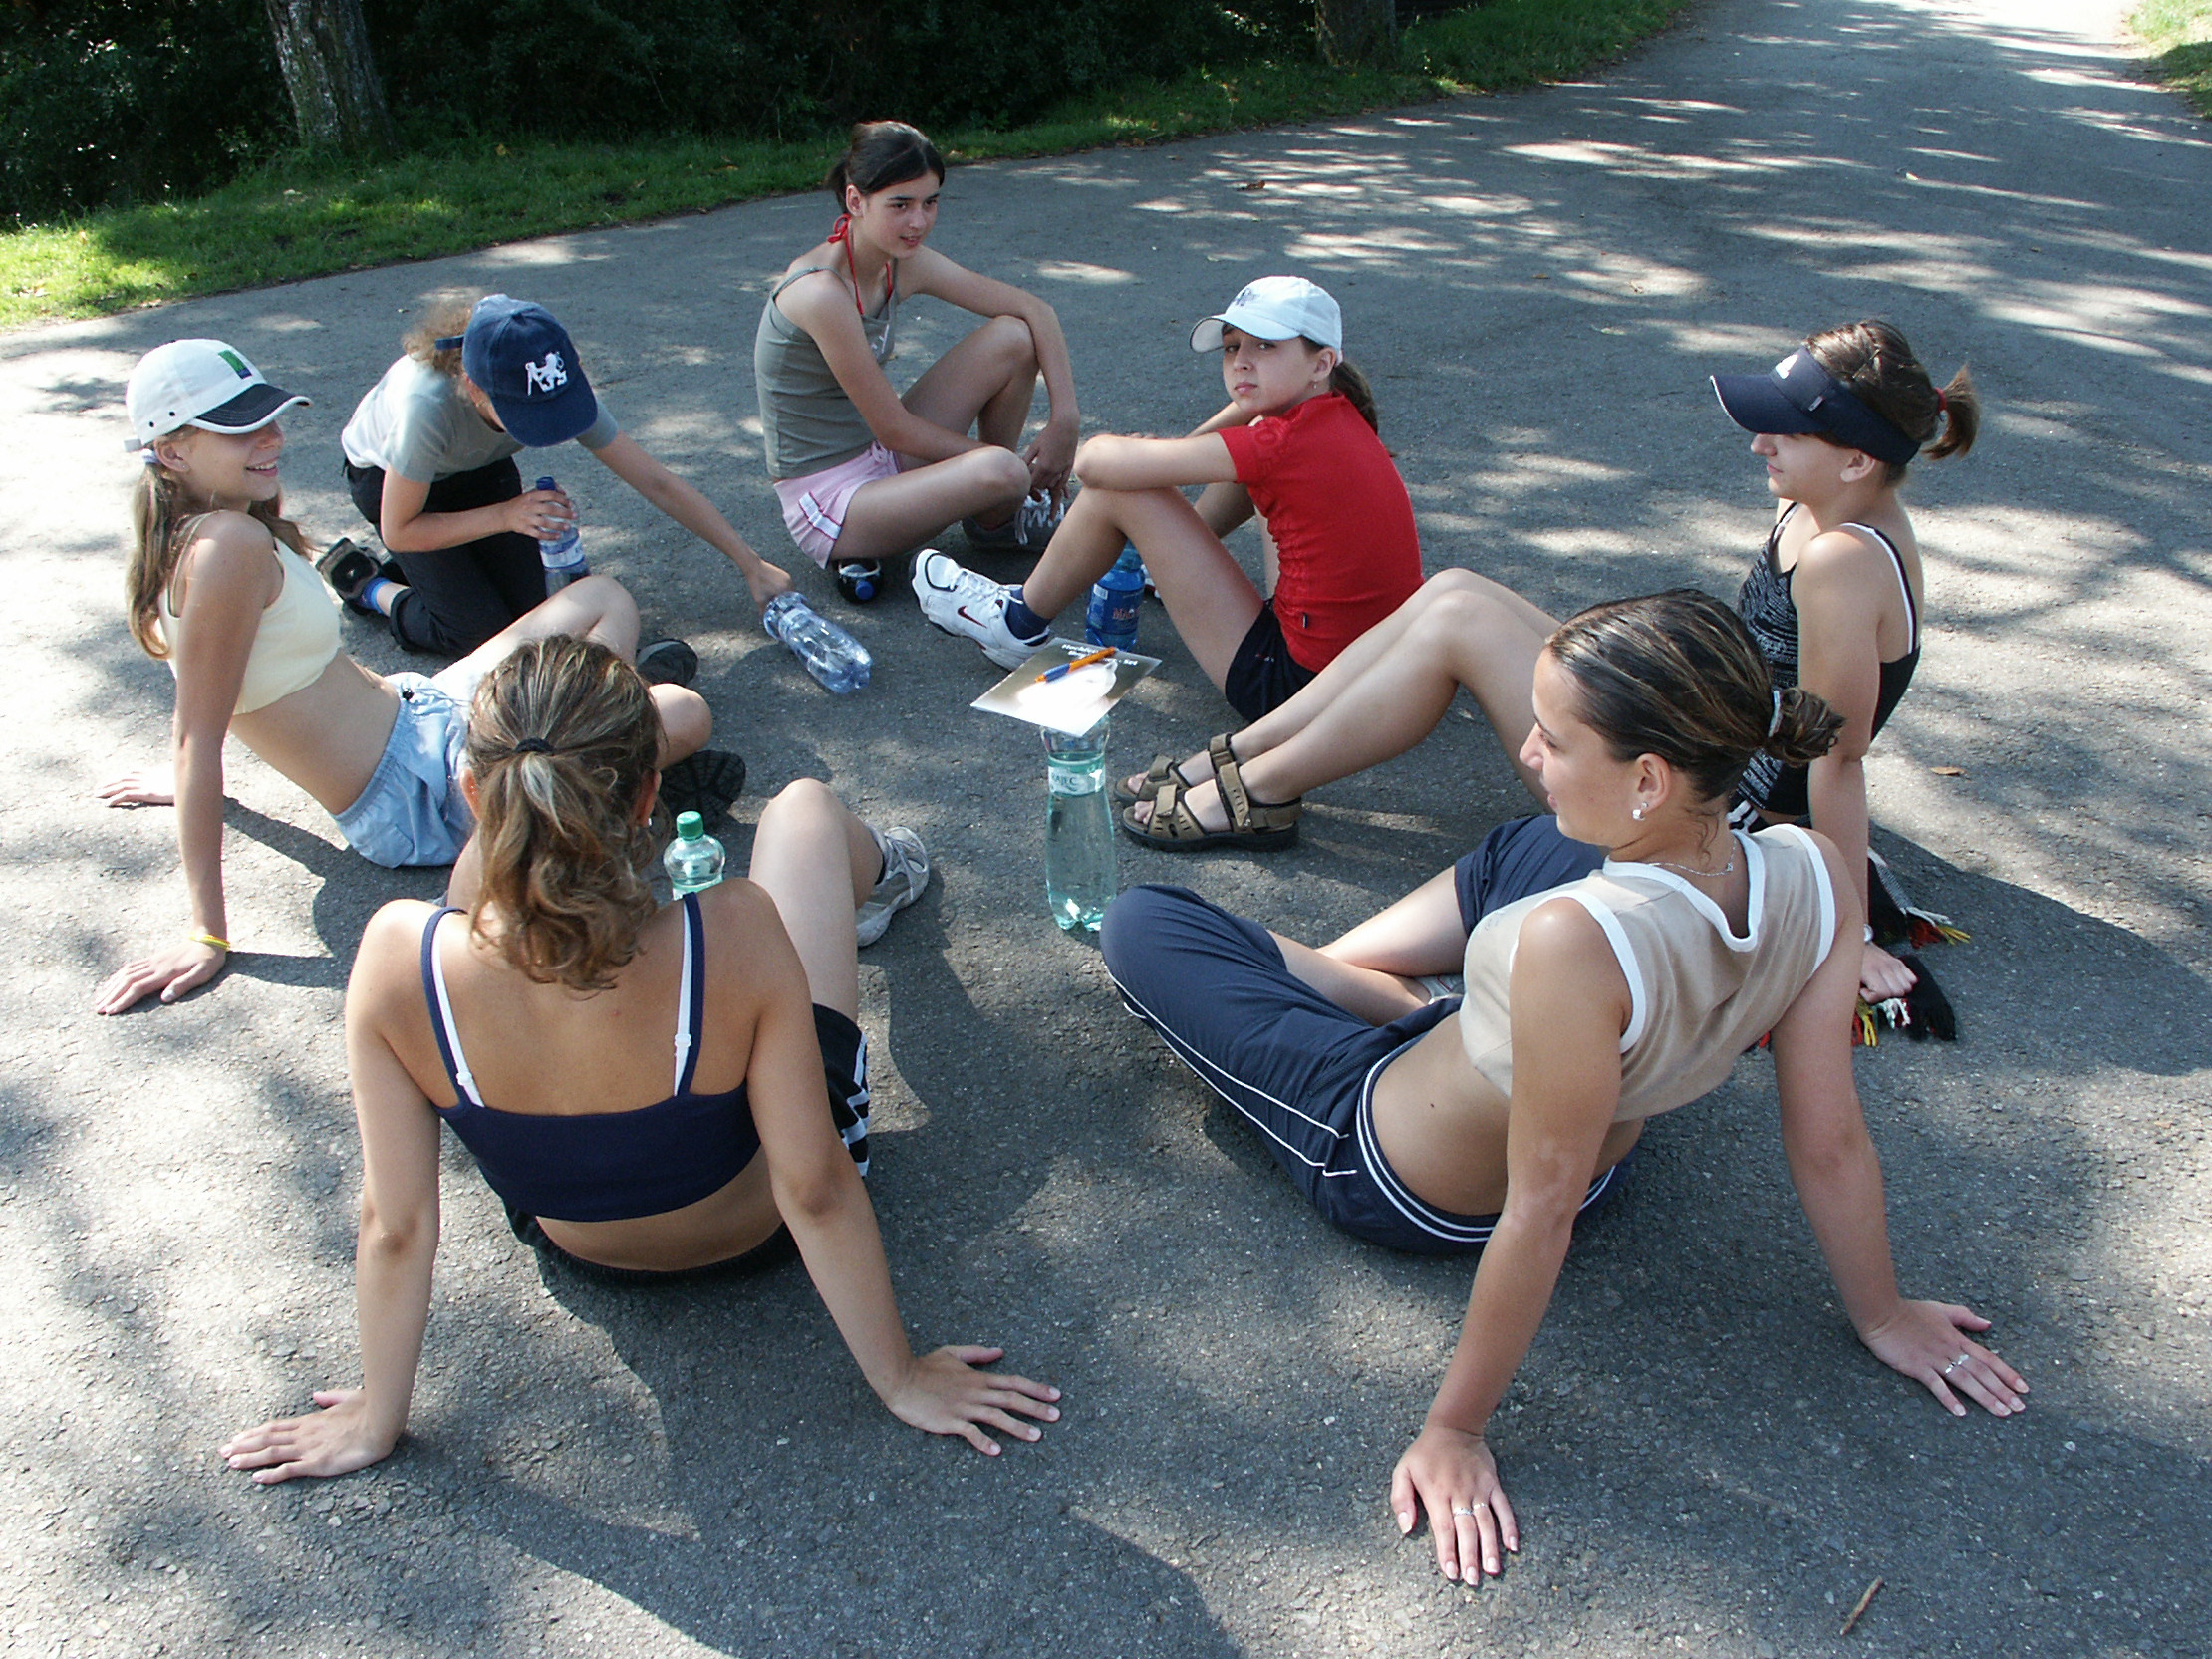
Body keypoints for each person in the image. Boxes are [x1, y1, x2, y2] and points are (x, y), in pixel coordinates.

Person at [1098, 591, 2025, 1583]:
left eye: (1554, 738)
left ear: (1648, 777)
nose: (1528, 751)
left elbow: (1538, 1213)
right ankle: (1372, 993)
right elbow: (1830, 1137)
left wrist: (1453, 1430)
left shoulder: (1572, 942)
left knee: (1140, 923)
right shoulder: (1817, 869)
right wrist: (1882, 1312)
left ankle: (1350, 992)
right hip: (1595, 1120)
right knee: (1540, 843)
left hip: (1387, 1152)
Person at [219, 636, 1060, 1481]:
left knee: (487, 878)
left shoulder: (394, 959)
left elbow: (395, 1224)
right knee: (803, 810)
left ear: (472, 791)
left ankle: (537, 867)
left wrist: (376, 1418)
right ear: (649, 795)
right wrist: (900, 1377)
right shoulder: (735, 927)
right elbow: (813, 1186)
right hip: (756, 1229)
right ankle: (884, 871)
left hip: (580, 1241)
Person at [1122, 323, 1974, 1018]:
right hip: (1701, 726)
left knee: (1458, 623)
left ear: (1857, 459)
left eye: (1784, 431)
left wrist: (1848, 931)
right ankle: (1242, 758)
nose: (1758, 444)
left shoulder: (1841, 563)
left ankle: (1257, 786)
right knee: (1454, 590)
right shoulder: (1825, 504)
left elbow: (1838, 758)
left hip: (1709, 805)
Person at [93, 339, 737, 1017]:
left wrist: (191, 779)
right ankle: (612, 754)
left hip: (417, 707)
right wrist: (207, 934)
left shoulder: (208, 528)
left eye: (270, 418)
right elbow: (197, 730)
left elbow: (218, 697)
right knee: (686, 711)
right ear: (171, 451)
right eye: (239, 428)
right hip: (415, 791)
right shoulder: (228, 546)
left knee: (602, 597)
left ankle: (609, 745)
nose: (271, 438)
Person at [917, 277, 1424, 745]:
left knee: (1119, 491)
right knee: (1207, 461)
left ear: (1321, 362)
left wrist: (1147, 458)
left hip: (1292, 692)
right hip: (1373, 667)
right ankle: (1159, 566)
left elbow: (1094, 464)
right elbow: (1218, 446)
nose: (1242, 362)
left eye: (1266, 346)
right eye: (1232, 347)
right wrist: (1167, 461)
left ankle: (1017, 623)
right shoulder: (1336, 411)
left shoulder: (1279, 444)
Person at [335, 293, 793, 657]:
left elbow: (655, 481)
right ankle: (372, 587)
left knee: (542, 613)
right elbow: (401, 529)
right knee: (479, 635)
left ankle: (445, 572)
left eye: (553, 409)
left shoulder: (545, 374)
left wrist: (750, 564)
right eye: (527, 415)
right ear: (474, 387)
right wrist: (504, 516)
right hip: (393, 486)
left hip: (480, 470)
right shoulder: (426, 407)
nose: (548, 422)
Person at [754, 120, 1079, 600]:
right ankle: (999, 493)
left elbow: (1035, 310)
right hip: (831, 501)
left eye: (930, 203)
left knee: (1014, 337)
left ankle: (995, 519)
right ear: (855, 201)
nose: (918, 222)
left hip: (877, 456)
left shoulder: (899, 263)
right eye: (900, 204)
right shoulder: (819, 292)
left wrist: (1065, 421)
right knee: (1004, 472)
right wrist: (1007, 467)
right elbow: (895, 430)